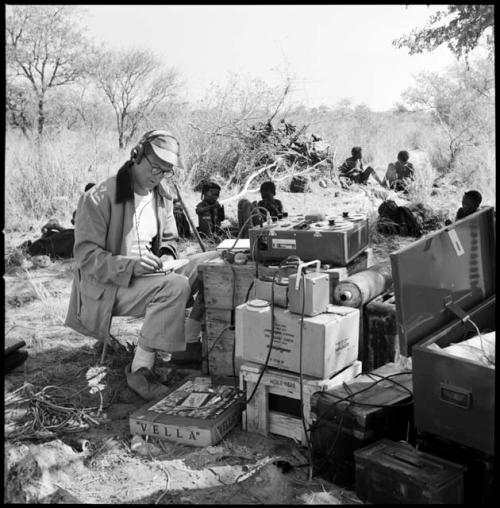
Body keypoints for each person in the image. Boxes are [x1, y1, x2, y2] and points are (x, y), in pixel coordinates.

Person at [65, 130, 218, 401]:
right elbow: (86, 258)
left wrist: (168, 256)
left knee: (213, 263)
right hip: (109, 287)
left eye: (165, 171)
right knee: (175, 286)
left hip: (151, 276)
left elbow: (169, 239)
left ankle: (188, 343)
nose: (157, 176)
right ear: (137, 155)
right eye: (154, 167)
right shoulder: (99, 197)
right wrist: (130, 265)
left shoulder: (162, 196)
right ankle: (140, 369)